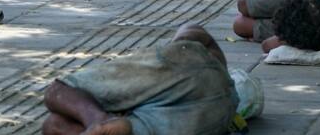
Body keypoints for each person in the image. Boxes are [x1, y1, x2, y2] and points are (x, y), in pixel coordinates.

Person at [42, 24, 236, 135]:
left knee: (58, 95)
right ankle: (105, 121)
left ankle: (101, 120)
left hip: (196, 78)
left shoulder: (178, 60)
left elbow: (59, 89)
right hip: (214, 115)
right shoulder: (228, 92)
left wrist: (98, 118)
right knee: (55, 123)